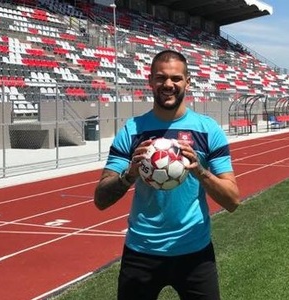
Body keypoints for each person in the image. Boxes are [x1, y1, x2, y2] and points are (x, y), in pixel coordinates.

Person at [94, 49, 241, 300]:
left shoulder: (208, 130)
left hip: (195, 251)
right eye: (161, 78)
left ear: (187, 82)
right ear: (150, 81)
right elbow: (101, 199)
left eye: (176, 78)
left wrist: (201, 172)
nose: (168, 85)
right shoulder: (132, 131)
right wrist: (129, 175)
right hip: (141, 252)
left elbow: (232, 201)